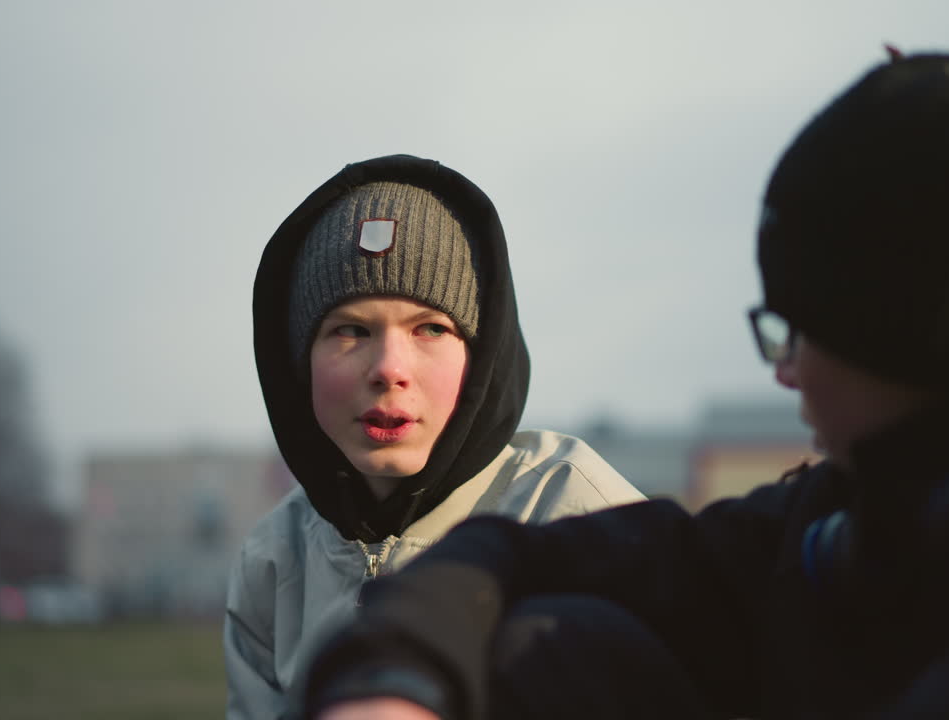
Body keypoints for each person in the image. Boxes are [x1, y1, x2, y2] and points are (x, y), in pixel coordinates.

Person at [298, 52, 949, 719]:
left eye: (796, 328)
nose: (784, 370)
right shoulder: (841, 527)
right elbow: (500, 562)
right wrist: (396, 680)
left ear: (916, 345)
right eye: (349, 329)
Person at [225, 153, 645, 719]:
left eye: (431, 329)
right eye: (349, 329)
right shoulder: (274, 560)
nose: (389, 368)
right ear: (298, 362)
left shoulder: (581, 516)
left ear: (483, 354)